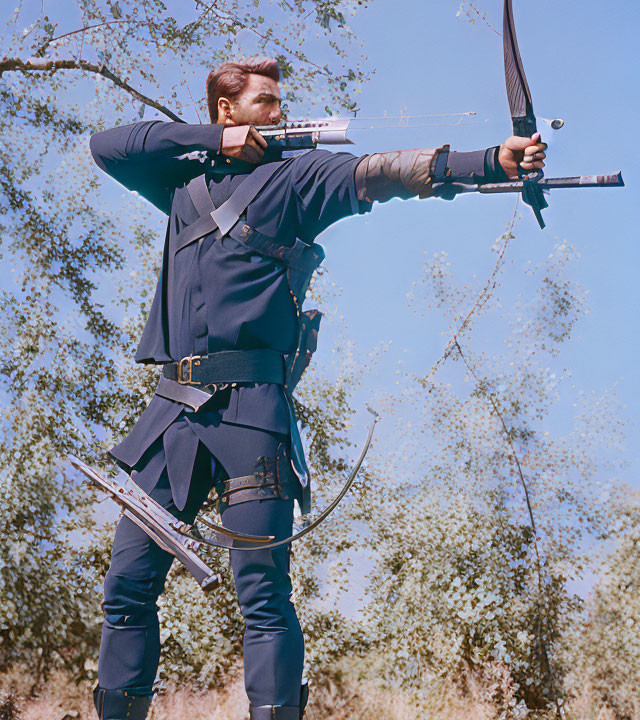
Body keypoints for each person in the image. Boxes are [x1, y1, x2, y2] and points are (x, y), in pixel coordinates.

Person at [89, 56, 546, 720]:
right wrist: (209, 143)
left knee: (263, 596)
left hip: (252, 417)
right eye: (266, 102)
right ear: (227, 112)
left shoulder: (299, 178)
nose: (280, 112)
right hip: (170, 419)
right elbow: (109, 146)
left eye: (279, 101)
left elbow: (388, 171)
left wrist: (493, 161)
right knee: (127, 585)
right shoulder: (180, 185)